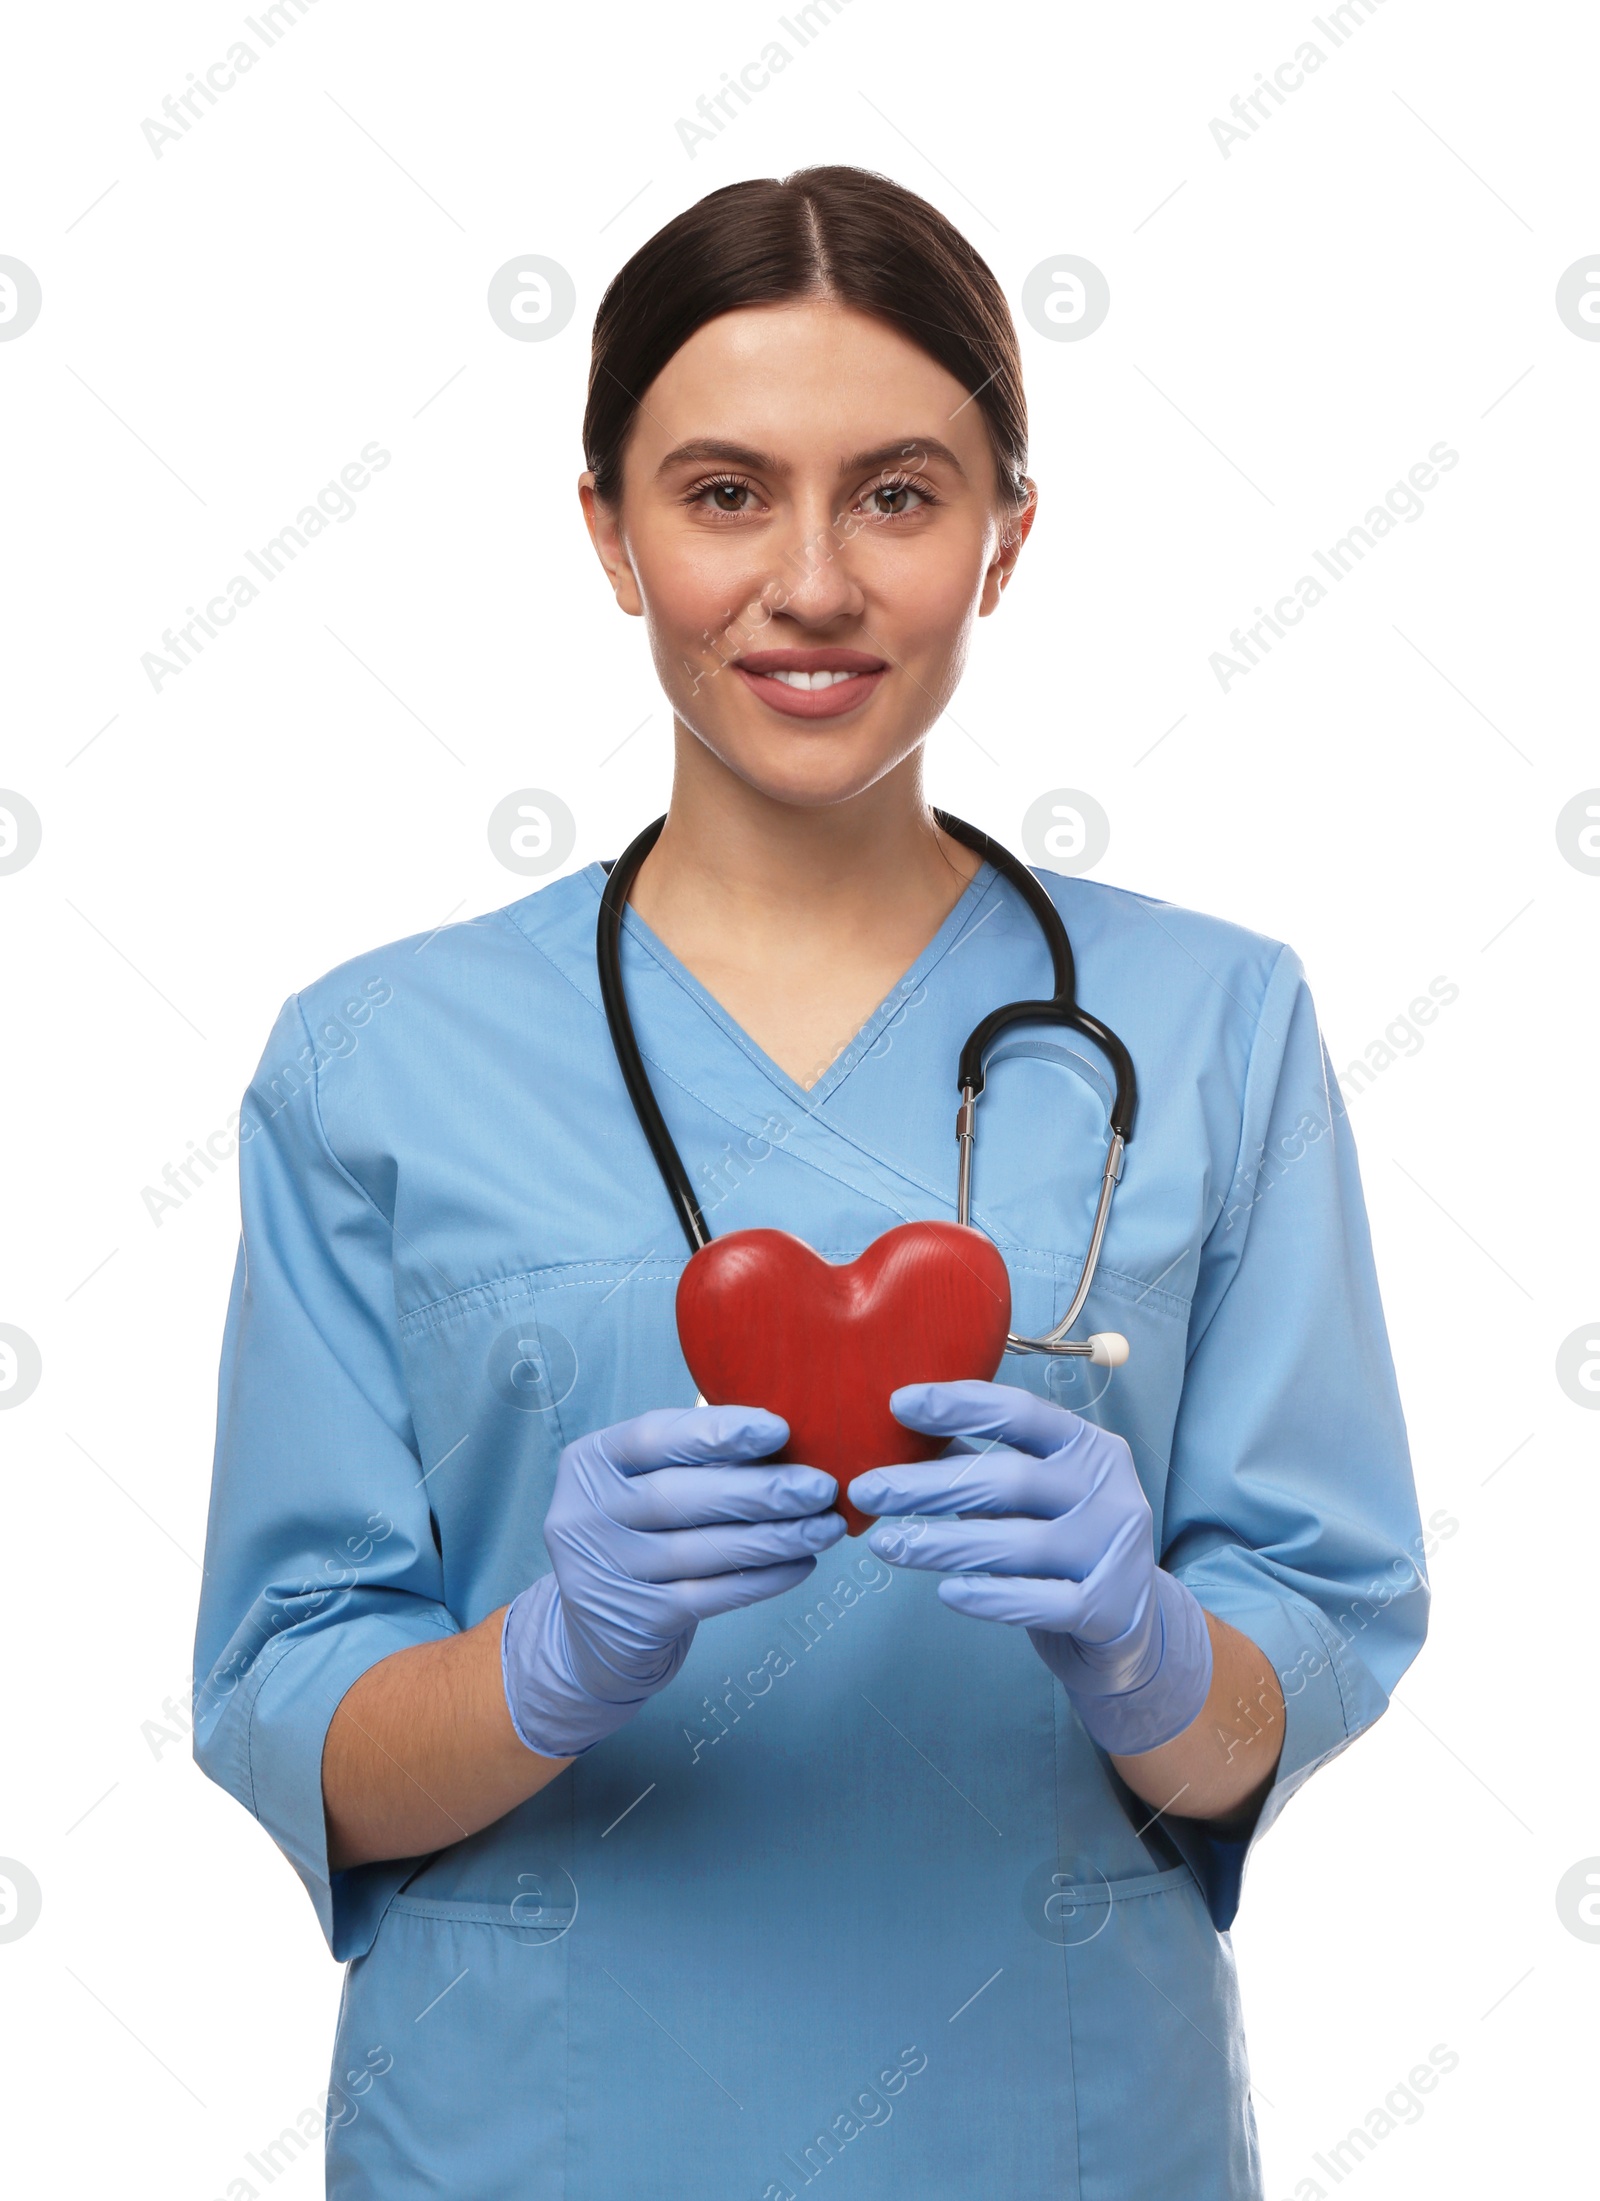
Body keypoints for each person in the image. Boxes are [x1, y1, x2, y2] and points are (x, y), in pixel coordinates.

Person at [193, 165, 1428, 2200]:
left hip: (1050, 2126)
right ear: (607, 533)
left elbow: (1298, 1653)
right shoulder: (372, 1058)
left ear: (1004, 538)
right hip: (542, 2127)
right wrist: (544, 1659)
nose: (812, 583)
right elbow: (286, 1703)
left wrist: (1148, 1648)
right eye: (721, 492)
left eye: (897, 492)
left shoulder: (1216, 1022)